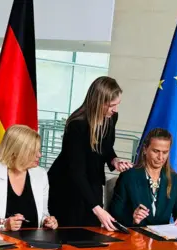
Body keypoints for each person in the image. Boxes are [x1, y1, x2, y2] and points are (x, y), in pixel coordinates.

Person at [47, 76, 133, 231]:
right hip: (67, 186)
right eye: (111, 105)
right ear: (98, 102)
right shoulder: (77, 125)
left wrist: (114, 160)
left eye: (117, 104)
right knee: (69, 233)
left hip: (92, 179)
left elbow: (105, 147)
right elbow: (76, 171)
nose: (115, 110)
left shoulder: (111, 117)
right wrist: (97, 208)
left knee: (92, 231)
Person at [0, 125, 58, 231]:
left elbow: (43, 212)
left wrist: (47, 221)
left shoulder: (41, 174)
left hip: (34, 244)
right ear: (17, 151)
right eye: (34, 151)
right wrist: (4, 225)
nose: (39, 155)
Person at [109, 128, 177, 228]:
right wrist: (133, 218)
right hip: (134, 237)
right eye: (156, 151)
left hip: (161, 240)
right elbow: (114, 213)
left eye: (165, 152)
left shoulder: (175, 179)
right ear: (145, 149)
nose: (160, 157)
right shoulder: (128, 177)